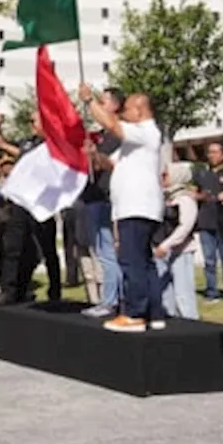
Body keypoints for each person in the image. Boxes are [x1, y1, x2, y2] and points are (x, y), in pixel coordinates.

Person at [79, 85, 165, 332]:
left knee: (131, 261)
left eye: (126, 109)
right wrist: (94, 154)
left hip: (137, 206)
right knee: (144, 262)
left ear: (139, 110)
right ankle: (154, 312)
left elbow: (112, 124)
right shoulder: (133, 143)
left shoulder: (146, 131)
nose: (123, 113)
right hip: (134, 206)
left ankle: (134, 313)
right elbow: (109, 164)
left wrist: (89, 102)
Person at [0, 111, 62, 305]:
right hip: (22, 201)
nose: (31, 125)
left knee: (47, 247)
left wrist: (6, 145)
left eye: (34, 121)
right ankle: (10, 289)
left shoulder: (51, 144)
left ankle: (55, 288)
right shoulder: (28, 142)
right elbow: (1, 143)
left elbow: (30, 156)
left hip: (41, 202)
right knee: (14, 245)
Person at [80, 89, 124, 318]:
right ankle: (111, 298)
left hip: (104, 199)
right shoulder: (105, 135)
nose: (98, 104)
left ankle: (111, 300)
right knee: (101, 251)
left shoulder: (118, 134)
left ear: (115, 106)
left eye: (103, 101)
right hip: (92, 197)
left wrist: (95, 154)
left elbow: (106, 164)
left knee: (108, 253)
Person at [194, 141, 223, 303]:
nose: (212, 155)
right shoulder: (201, 174)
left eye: (215, 152)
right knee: (209, 261)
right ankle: (211, 291)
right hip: (206, 222)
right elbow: (193, 193)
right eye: (210, 152)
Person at [154, 162, 200, 320]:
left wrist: (166, 245)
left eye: (166, 174)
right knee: (166, 293)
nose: (162, 177)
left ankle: (191, 324)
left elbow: (185, 227)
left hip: (182, 251)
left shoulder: (185, 199)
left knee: (183, 293)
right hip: (165, 251)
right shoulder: (166, 197)